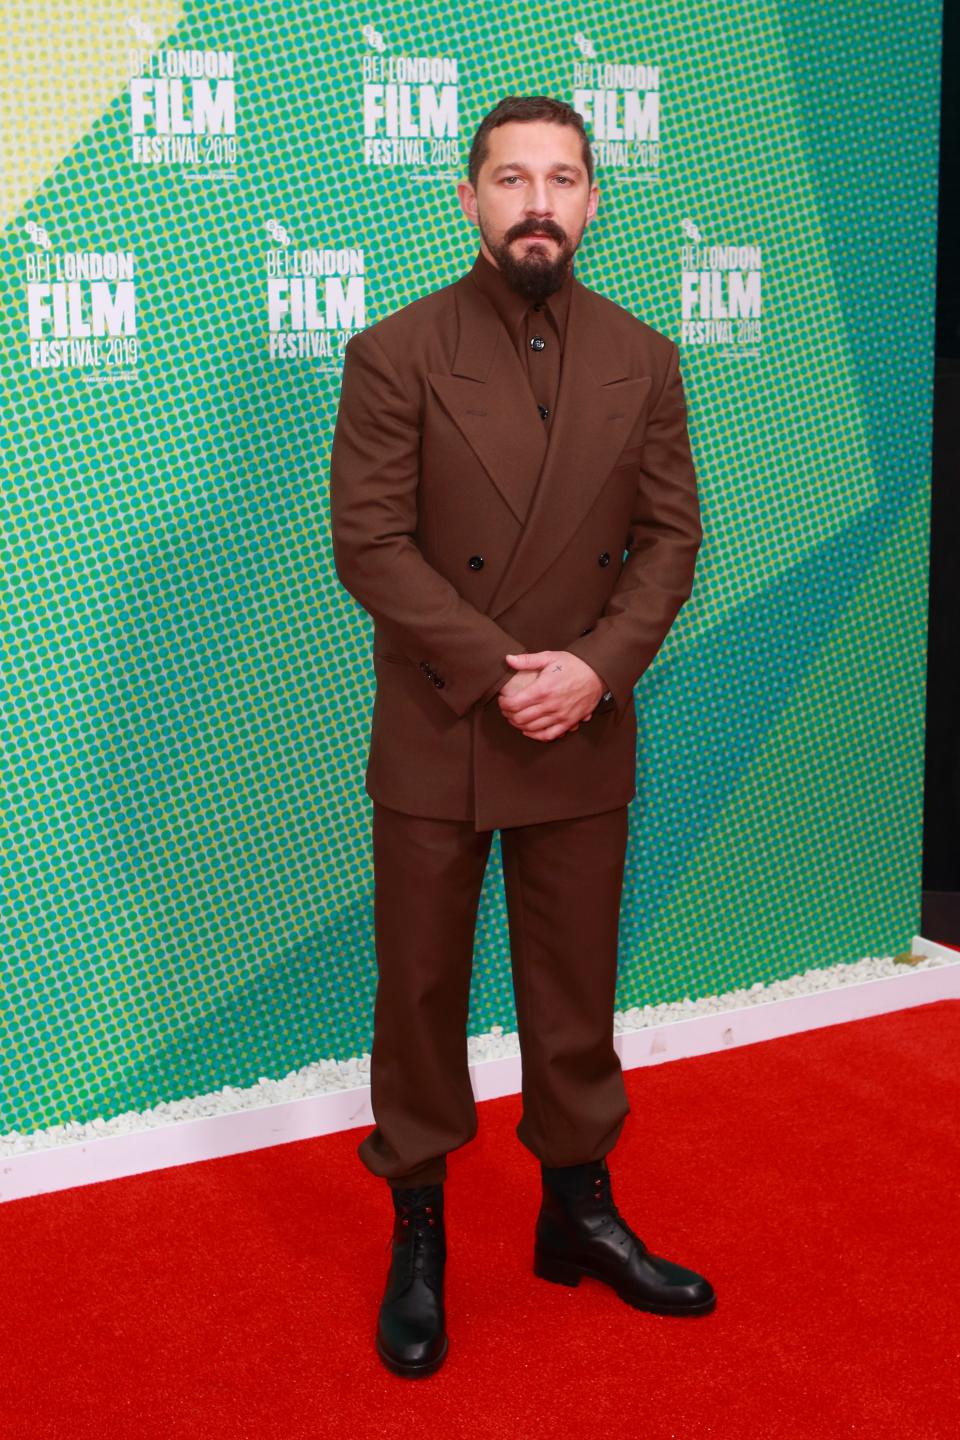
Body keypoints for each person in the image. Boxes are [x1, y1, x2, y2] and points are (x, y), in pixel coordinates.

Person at [329, 94, 713, 1378]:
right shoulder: (394, 352)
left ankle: (577, 1215)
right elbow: (369, 544)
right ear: (468, 198)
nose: (536, 201)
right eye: (510, 179)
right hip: (444, 724)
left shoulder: (645, 357)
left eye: (561, 178)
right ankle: (421, 1234)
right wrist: (508, 674)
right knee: (422, 996)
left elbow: (670, 539)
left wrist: (594, 672)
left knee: (573, 997)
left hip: (582, 725)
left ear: (595, 199)